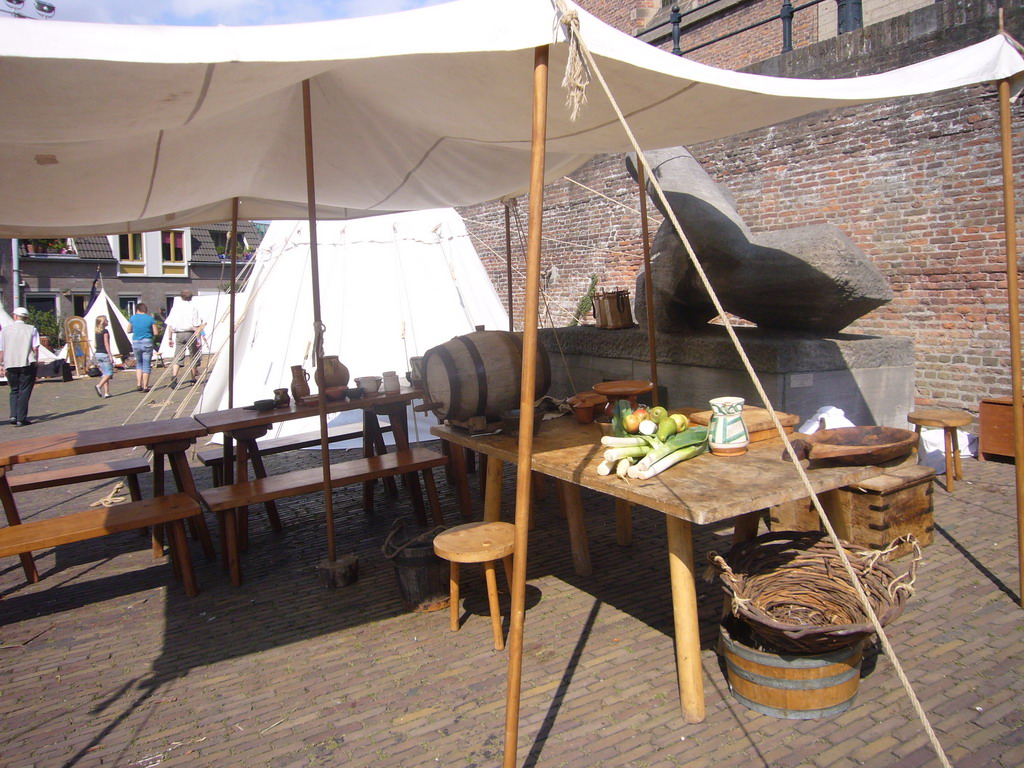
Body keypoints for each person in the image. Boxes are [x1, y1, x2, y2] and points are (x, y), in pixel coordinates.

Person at [0, 307, 40, 427]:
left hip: (10, 363)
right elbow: (35, 348)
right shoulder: (31, 329)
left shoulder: (5, 331)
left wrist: (1, 365)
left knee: (14, 390)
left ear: (15, 316)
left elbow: (1, 350)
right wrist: (36, 361)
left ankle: (13, 415)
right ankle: (21, 418)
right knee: (25, 390)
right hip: (26, 362)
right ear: (26, 318)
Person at [165, 289, 204, 388]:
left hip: (178, 334)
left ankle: (174, 377)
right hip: (190, 332)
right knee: (193, 356)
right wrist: (199, 339)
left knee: (178, 356)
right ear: (191, 297)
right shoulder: (193, 307)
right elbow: (196, 325)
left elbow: (170, 324)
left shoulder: (176, 307)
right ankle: (192, 378)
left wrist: (170, 338)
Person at [128, 302, 155, 392]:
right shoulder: (150, 318)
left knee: (139, 363)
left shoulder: (133, 318)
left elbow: (128, 330)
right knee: (146, 365)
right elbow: (156, 332)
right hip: (147, 341)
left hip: (136, 342)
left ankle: (138, 384)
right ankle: (145, 386)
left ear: (137, 310)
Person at [93, 315, 113, 398]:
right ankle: (99, 385)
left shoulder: (97, 332)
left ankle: (107, 392)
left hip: (98, 353)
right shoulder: (105, 331)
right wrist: (110, 355)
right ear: (103, 322)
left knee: (105, 373)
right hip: (104, 353)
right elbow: (106, 343)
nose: (108, 322)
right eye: (106, 321)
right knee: (109, 373)